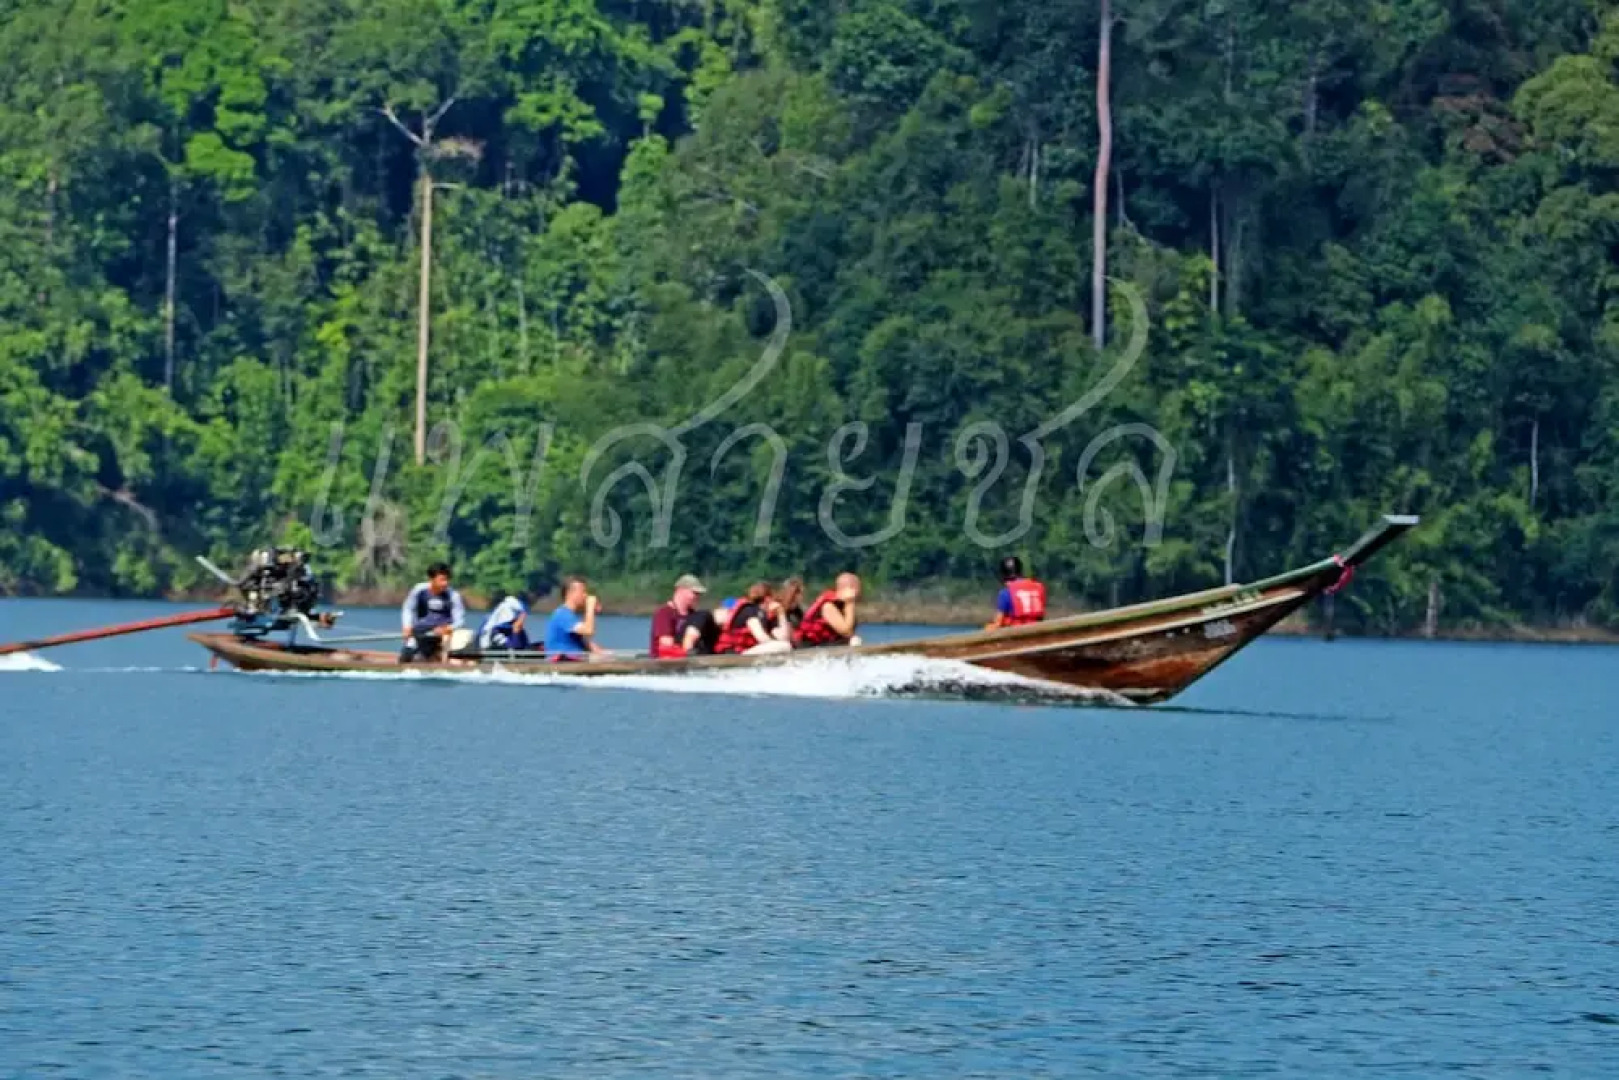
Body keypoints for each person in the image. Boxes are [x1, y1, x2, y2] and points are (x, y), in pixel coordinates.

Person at [400, 562, 468, 662]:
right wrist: (407, 626)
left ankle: (439, 658)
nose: (445, 583)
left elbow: (460, 621)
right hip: (421, 632)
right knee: (406, 656)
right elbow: (408, 608)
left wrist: (448, 628)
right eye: (442, 580)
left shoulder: (453, 595)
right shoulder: (419, 590)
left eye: (447, 580)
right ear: (432, 579)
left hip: (442, 635)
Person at [716, 582, 792, 655]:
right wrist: (774, 644)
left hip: (748, 651)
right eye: (773, 598)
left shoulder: (766, 615)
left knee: (785, 645)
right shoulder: (749, 610)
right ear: (767, 599)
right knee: (784, 646)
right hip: (735, 653)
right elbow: (762, 638)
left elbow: (783, 638)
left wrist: (781, 614)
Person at [794, 572, 863, 648]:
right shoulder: (828, 606)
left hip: (830, 644)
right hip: (813, 646)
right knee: (855, 641)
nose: (859, 592)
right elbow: (847, 632)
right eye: (857, 588)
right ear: (849, 588)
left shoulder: (842, 605)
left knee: (855, 640)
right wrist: (850, 603)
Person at [544, 577, 606, 660]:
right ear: (569, 593)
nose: (585, 595)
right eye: (582, 591)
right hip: (563, 663)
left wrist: (606, 655)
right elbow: (589, 631)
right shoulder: (562, 614)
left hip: (576, 661)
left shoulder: (571, 616)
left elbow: (586, 642)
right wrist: (590, 606)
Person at [651, 574, 707, 659]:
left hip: (688, 659)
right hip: (663, 662)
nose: (697, 597)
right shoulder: (664, 613)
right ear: (680, 590)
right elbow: (666, 644)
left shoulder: (694, 616)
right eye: (694, 593)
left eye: (698, 594)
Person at [986, 556, 1047, 630]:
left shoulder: (1005, 593)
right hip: (1037, 630)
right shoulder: (1038, 587)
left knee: (989, 627)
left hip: (1017, 633)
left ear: (1003, 575)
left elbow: (998, 623)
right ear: (1020, 571)